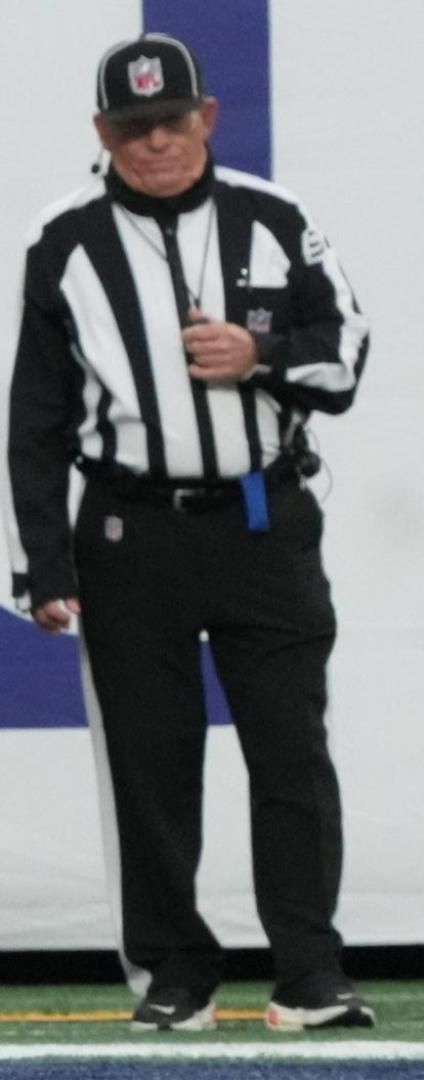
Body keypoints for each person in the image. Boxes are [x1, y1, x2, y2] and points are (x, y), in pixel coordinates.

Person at [4, 34, 372, 1032]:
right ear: (102, 133)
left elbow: (346, 357)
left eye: (172, 121)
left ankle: (310, 970)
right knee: (149, 759)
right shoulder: (63, 240)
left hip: (264, 520)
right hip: (129, 534)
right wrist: (42, 563)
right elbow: (33, 421)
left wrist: (259, 352)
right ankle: (174, 969)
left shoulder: (277, 218)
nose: (155, 143)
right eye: (133, 127)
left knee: (292, 751)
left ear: (207, 118)